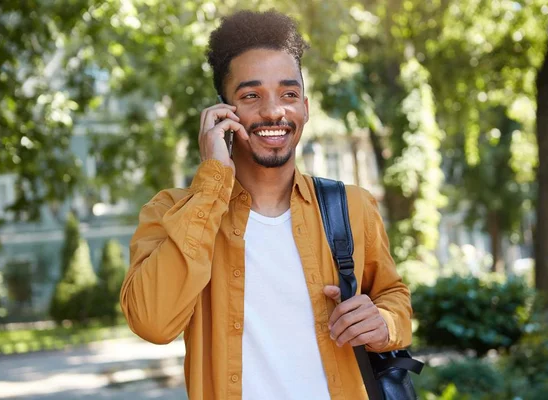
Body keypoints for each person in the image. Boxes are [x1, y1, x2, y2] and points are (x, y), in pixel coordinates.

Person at [120, 9, 412, 400]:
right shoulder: (172, 212)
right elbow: (152, 322)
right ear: (223, 114)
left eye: (288, 94)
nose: (274, 111)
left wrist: (384, 324)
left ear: (305, 108)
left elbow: (394, 299)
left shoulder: (352, 206)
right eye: (251, 95)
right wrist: (211, 184)